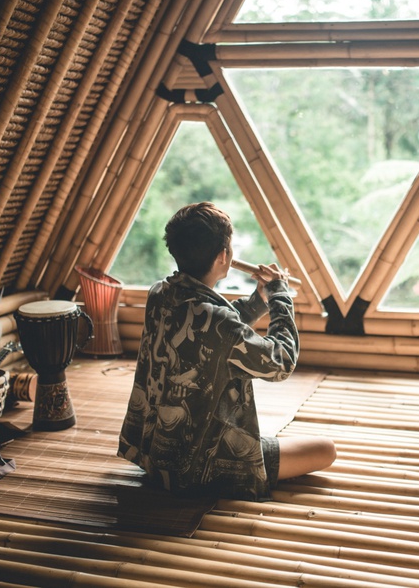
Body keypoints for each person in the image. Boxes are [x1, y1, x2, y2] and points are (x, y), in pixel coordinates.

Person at [118, 202, 336, 500]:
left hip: (154, 458)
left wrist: (258, 300)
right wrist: (280, 297)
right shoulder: (218, 321)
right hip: (201, 468)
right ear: (223, 256)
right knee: (326, 450)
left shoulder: (160, 292)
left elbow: (212, 328)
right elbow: (281, 363)